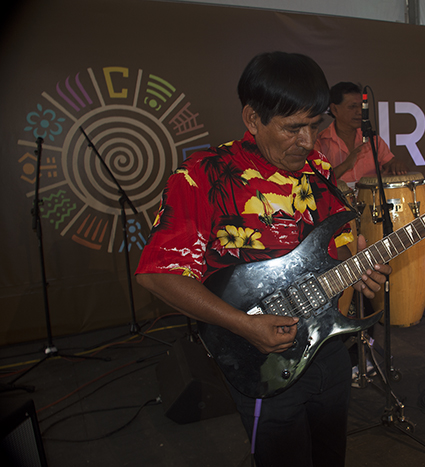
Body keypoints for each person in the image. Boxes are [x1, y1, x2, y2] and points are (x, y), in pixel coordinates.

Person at [135, 52, 391, 467]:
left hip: (329, 349)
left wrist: (358, 266)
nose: (307, 142)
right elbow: (158, 275)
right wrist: (244, 325)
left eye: (315, 125)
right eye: (293, 128)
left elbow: (338, 248)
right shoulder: (204, 174)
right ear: (253, 119)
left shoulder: (316, 169)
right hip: (261, 363)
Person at [314, 81, 407, 187]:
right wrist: (346, 165)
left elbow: (391, 164)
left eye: (362, 106)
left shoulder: (373, 140)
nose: (359, 111)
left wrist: (396, 166)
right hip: (338, 203)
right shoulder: (320, 142)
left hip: (371, 202)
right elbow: (318, 184)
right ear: (335, 109)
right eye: (352, 107)